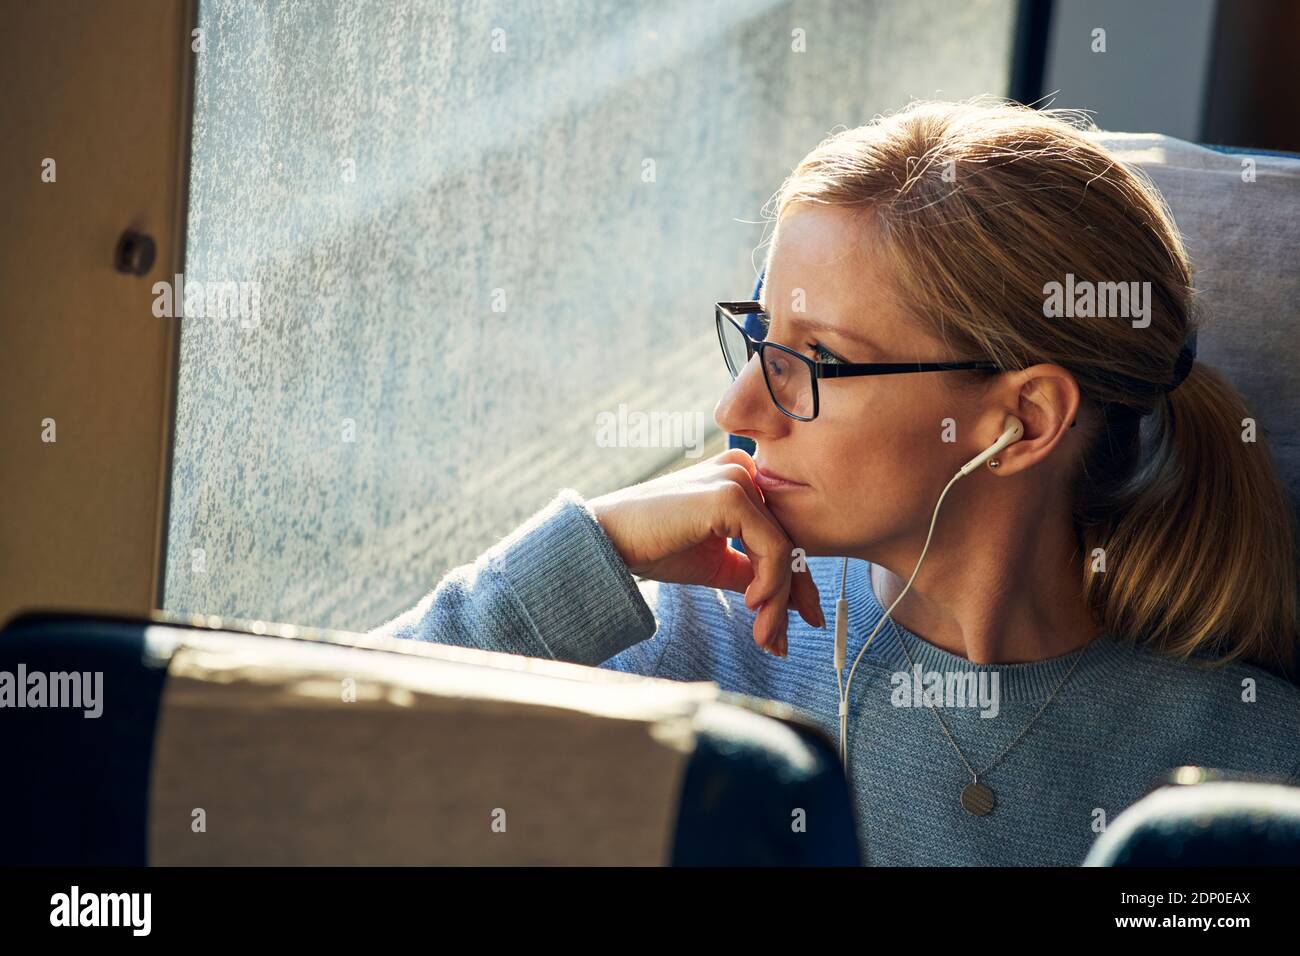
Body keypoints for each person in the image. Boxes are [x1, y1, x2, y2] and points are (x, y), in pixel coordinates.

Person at [371, 98, 1300, 865]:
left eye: (819, 360)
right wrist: (593, 547)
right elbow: (287, 770)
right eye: (758, 335)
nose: (740, 406)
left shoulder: (1243, 781)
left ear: (1022, 422)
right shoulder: (682, 636)